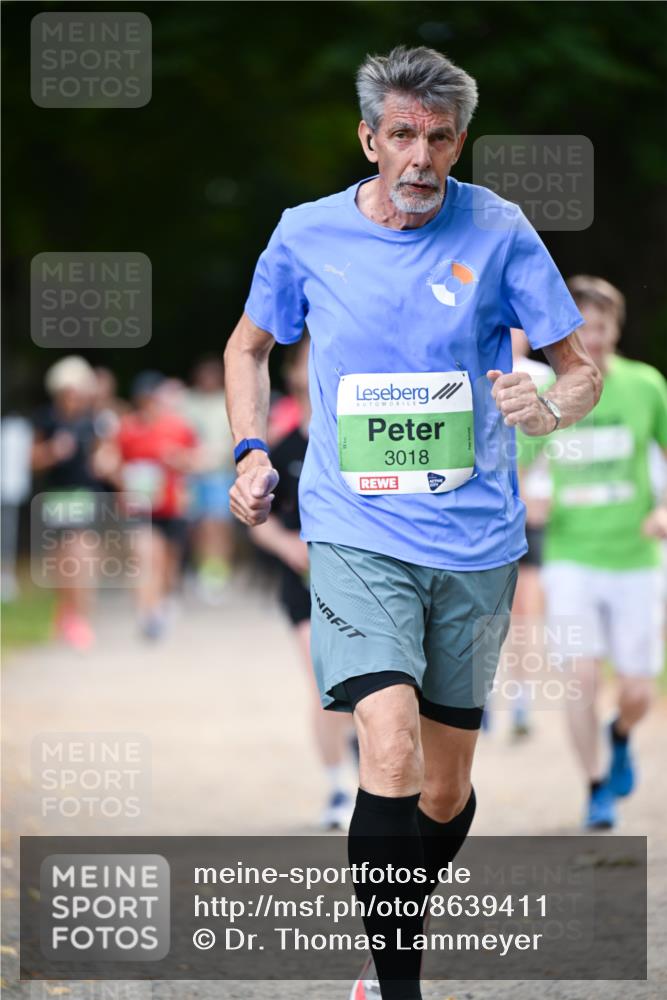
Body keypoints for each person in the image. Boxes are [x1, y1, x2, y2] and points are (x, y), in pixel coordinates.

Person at [224, 46, 600, 1000]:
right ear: (368, 139)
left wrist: (549, 405)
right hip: (353, 528)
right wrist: (250, 447)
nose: (420, 157)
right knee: (384, 743)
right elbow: (248, 346)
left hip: (475, 538)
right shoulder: (305, 235)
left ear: (459, 142)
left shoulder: (500, 228)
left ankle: (393, 925)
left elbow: (579, 366)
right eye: (401, 136)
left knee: (442, 782)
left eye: (438, 138)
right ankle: (397, 986)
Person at [521, 276, 667, 830]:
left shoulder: (646, 385)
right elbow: (516, 473)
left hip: (636, 558)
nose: (596, 339)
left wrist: (662, 512)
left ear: (616, 329)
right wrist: (528, 504)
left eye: (603, 328)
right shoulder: (549, 394)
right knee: (579, 680)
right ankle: (596, 787)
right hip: (571, 558)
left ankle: (622, 734)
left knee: (635, 690)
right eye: (584, 328)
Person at [250, 334, 356, 829]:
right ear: (294, 375)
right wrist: (288, 546)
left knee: (373, 690)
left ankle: (371, 765)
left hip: (363, 584)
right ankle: (337, 786)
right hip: (305, 586)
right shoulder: (282, 447)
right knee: (326, 688)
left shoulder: (363, 438)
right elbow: (256, 516)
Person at [111, 372, 199, 639]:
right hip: (140, 507)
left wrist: (179, 461)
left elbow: (195, 462)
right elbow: (114, 464)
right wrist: (123, 482)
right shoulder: (126, 429)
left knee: (168, 565)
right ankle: (147, 614)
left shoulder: (177, 427)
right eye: (144, 400)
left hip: (171, 507)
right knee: (146, 558)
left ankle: (162, 601)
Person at [31, 356, 102, 651]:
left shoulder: (91, 423)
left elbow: (103, 457)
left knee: (83, 555)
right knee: (62, 564)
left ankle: (81, 618)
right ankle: (67, 612)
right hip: (55, 498)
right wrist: (52, 452)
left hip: (84, 497)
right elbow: (33, 460)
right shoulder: (46, 420)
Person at [181, 357, 236, 603]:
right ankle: (201, 567)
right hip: (193, 472)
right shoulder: (188, 403)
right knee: (197, 525)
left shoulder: (229, 399)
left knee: (218, 523)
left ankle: (218, 570)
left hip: (220, 471)